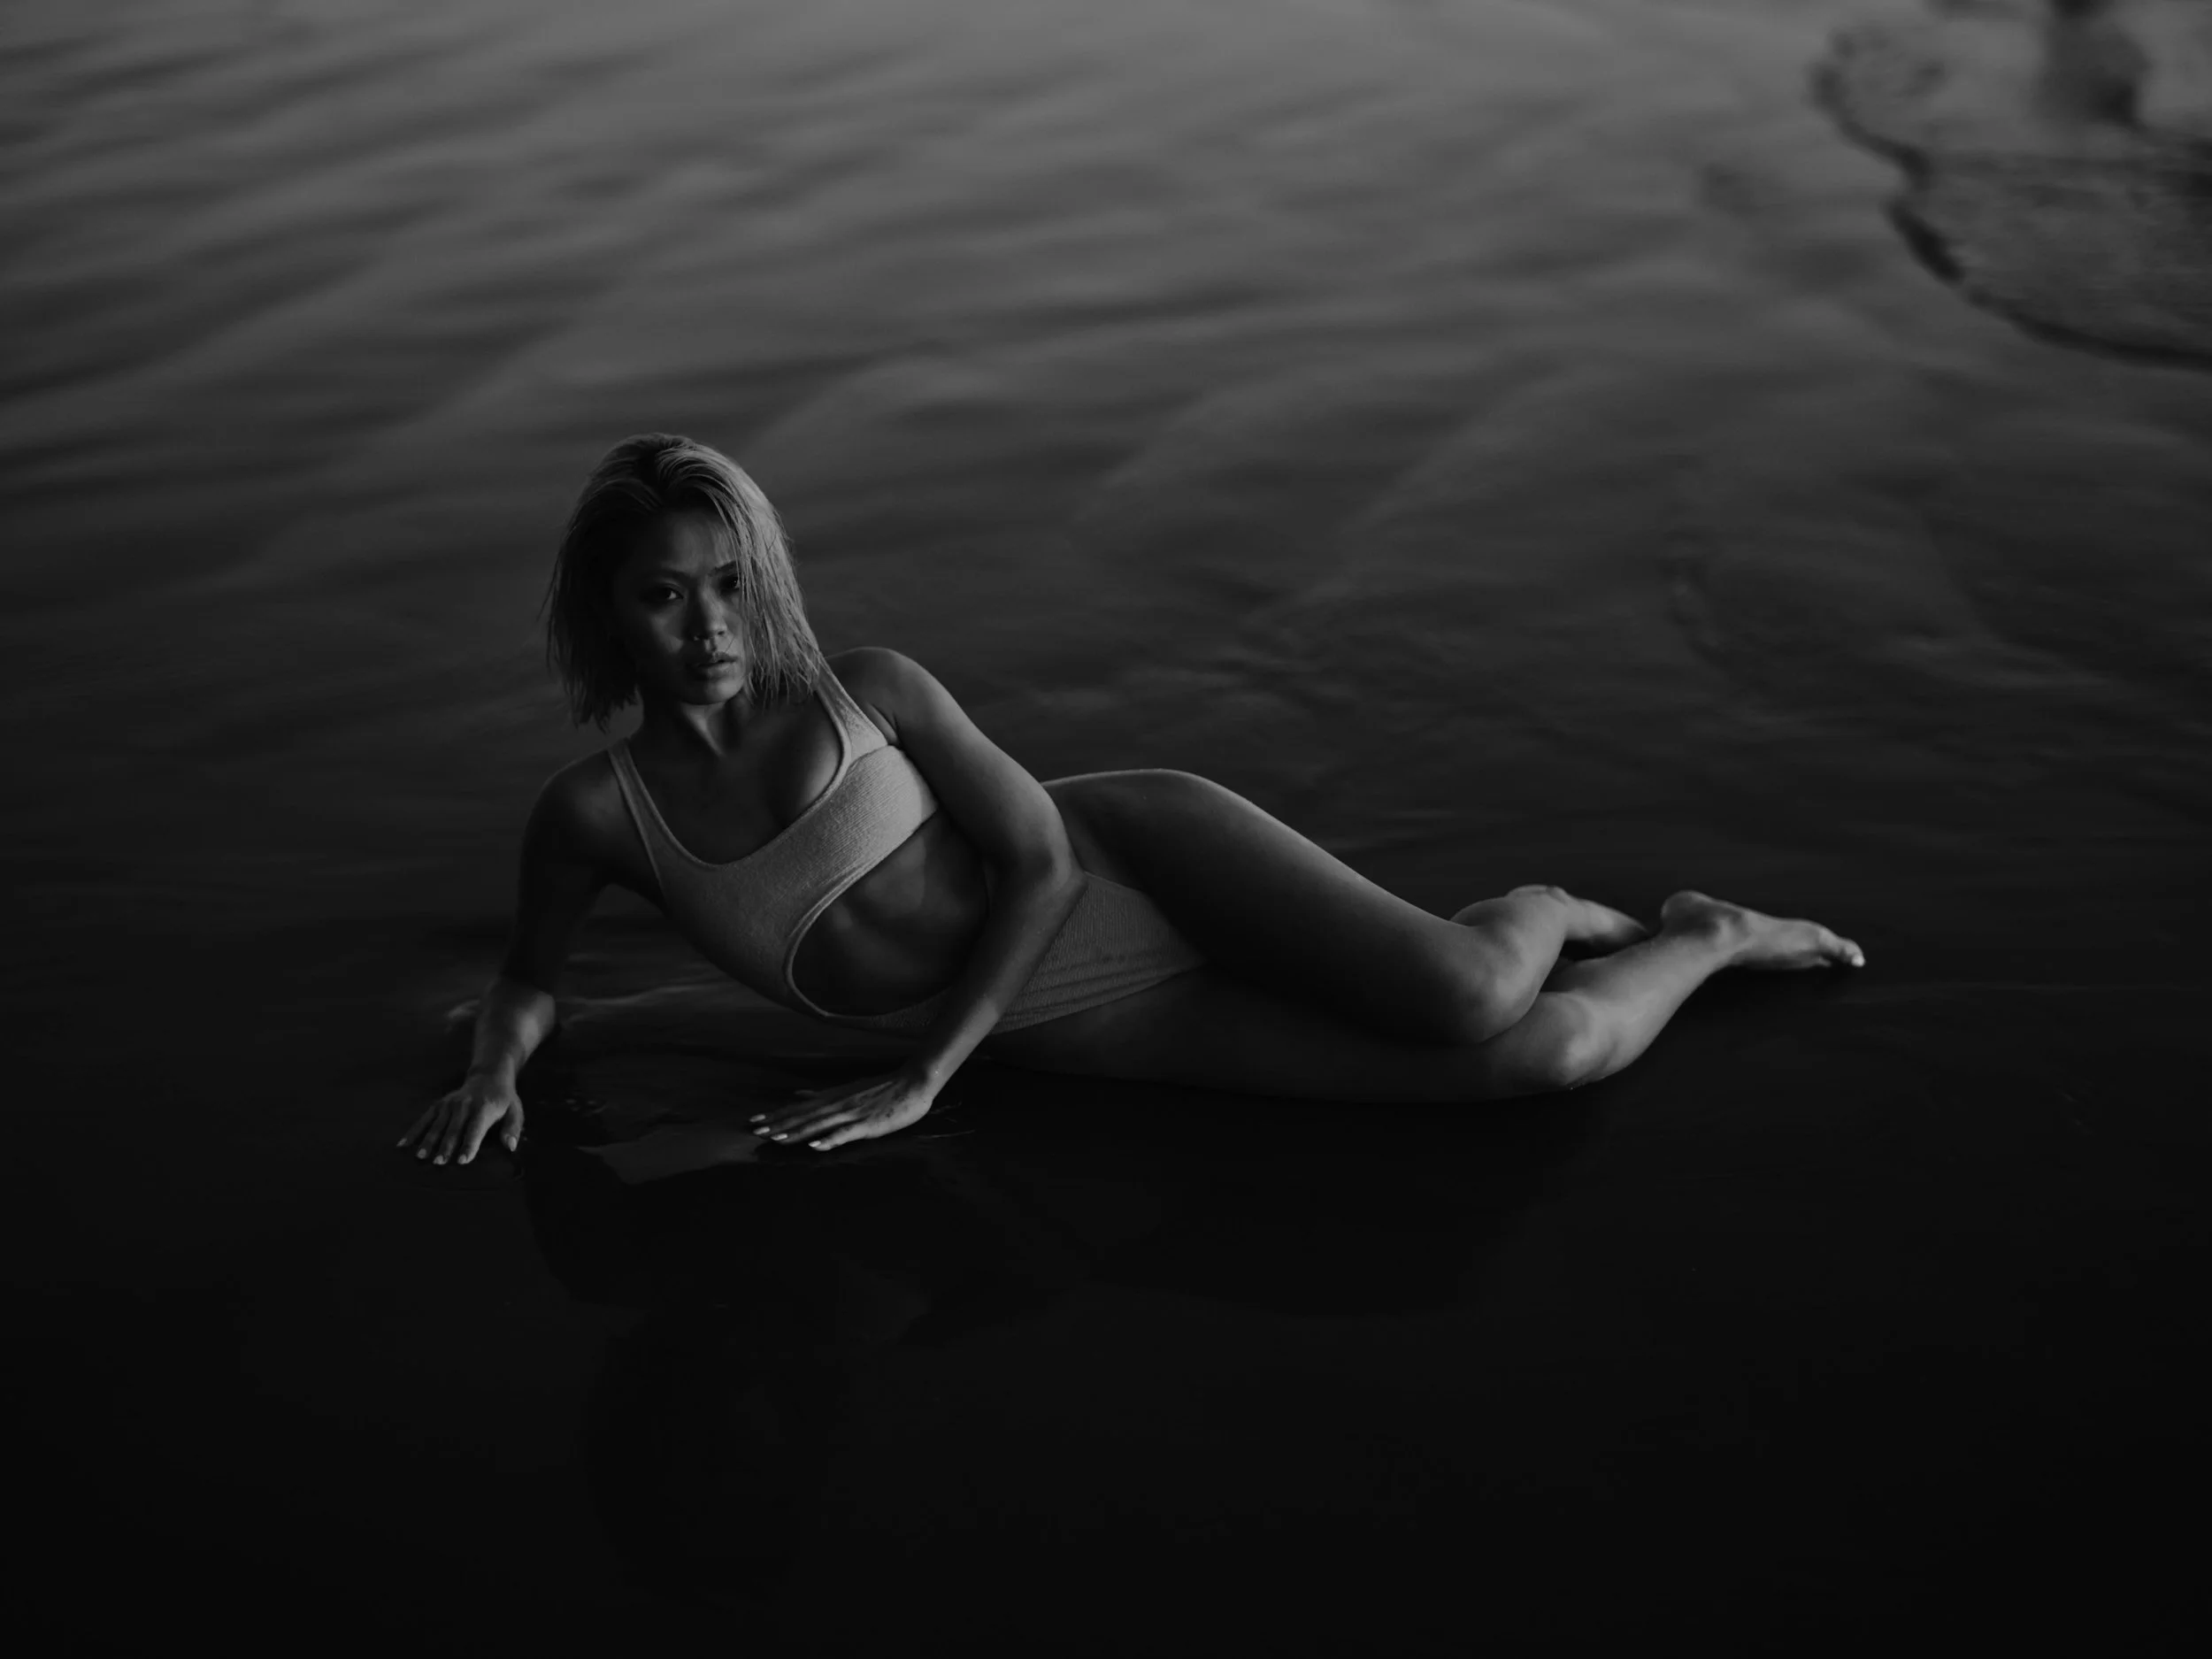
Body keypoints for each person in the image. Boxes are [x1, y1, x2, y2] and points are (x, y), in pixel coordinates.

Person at [400, 434, 1863, 1167]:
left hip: (1131, 864)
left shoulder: (869, 690)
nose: (710, 628)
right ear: (608, 618)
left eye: (730, 586)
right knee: (1526, 1070)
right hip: (1074, 1020)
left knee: (1474, 993)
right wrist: (496, 1069)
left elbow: (1034, 859)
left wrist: (928, 1076)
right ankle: (1706, 930)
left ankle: (1544, 909)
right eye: (665, 598)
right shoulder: (598, 814)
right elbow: (529, 983)